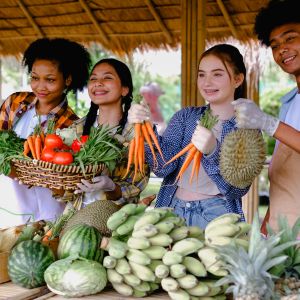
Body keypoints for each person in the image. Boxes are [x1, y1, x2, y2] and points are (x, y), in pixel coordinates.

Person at [128, 44, 251, 229]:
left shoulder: (246, 128)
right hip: (173, 209)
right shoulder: (186, 117)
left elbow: (237, 189)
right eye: (202, 74)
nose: (207, 82)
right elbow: (163, 167)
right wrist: (145, 130)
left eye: (217, 74)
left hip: (217, 215)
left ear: (238, 79)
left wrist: (213, 151)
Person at [0, 38, 91, 228]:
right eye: (35, 78)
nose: (40, 87)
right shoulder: (15, 102)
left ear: (67, 79)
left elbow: (64, 180)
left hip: (46, 212)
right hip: (7, 201)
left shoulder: (72, 125)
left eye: (50, 80)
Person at [232, 0, 300, 232]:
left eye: (290, 38)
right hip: (281, 230)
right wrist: (265, 226)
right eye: (274, 45)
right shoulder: (289, 101)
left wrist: (268, 123)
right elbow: (283, 179)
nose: (282, 49)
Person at [72, 58, 150, 207]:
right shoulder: (77, 129)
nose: (98, 83)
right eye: (93, 78)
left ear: (124, 89)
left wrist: (112, 187)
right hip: (74, 218)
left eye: (107, 77)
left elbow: (136, 186)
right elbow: (63, 187)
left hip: (116, 222)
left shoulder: (137, 132)